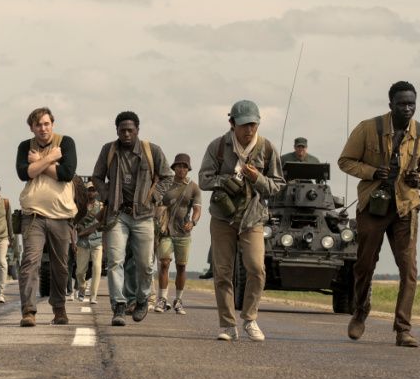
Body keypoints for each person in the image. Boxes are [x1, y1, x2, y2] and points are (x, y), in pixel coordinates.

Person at [337, 81, 420, 347]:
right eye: (402, 103)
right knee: (364, 264)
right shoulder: (368, 128)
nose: (408, 108)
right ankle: (360, 312)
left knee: (409, 269)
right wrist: (371, 172)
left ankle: (403, 328)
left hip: (405, 207)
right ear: (390, 104)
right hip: (373, 206)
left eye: (412, 103)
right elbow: (345, 160)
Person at [200, 100, 284, 341]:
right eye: (244, 125)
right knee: (223, 272)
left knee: (257, 269)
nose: (249, 130)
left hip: (253, 217)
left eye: (254, 125)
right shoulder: (217, 147)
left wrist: (257, 178)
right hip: (222, 217)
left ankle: (250, 318)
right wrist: (225, 181)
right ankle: (227, 325)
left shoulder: (267, 148)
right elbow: (204, 179)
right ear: (232, 123)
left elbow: (277, 186)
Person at [91, 111, 174, 326]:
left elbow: (168, 176)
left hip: (144, 215)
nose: (126, 134)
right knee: (115, 261)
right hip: (118, 214)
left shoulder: (151, 150)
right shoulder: (108, 150)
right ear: (116, 130)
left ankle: (142, 299)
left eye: (130, 130)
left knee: (146, 264)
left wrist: (154, 197)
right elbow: (97, 177)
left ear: (137, 130)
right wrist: (107, 194)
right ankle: (118, 306)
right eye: (122, 130)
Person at [15, 106, 79, 327]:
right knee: (30, 262)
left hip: (61, 215)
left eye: (46, 124)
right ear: (31, 128)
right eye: (38, 125)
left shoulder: (66, 142)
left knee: (60, 265)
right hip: (33, 214)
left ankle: (59, 308)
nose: (42, 128)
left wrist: (38, 162)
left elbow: (66, 173)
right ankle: (29, 311)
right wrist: (50, 157)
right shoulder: (25, 146)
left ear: (52, 123)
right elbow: (24, 173)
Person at [154, 153, 201, 314]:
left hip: (183, 233)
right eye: (179, 166)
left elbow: (197, 208)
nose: (182, 169)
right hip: (166, 230)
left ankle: (178, 300)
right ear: (174, 168)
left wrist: (193, 222)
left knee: (181, 266)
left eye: (185, 166)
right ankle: (162, 299)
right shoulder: (166, 184)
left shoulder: (193, 187)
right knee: (164, 263)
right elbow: (155, 199)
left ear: (188, 169)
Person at [73, 181, 106, 304]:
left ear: (97, 192)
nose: (91, 192)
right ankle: (82, 287)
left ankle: (93, 296)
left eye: (93, 190)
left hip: (97, 240)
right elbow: (74, 224)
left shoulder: (101, 207)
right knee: (80, 271)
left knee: (97, 268)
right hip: (83, 241)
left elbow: (104, 224)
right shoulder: (80, 208)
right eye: (89, 190)